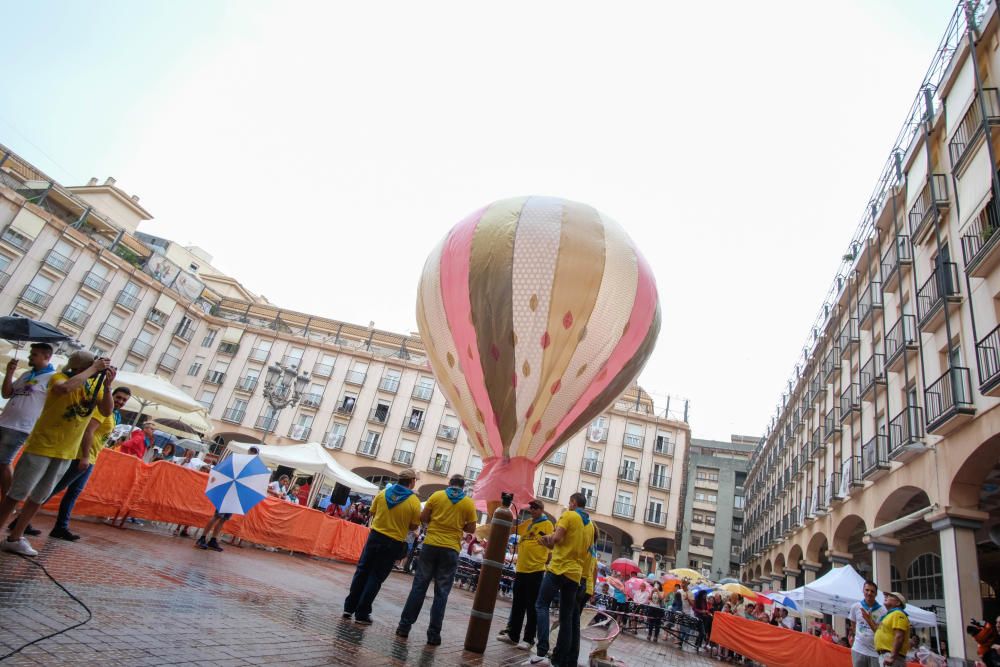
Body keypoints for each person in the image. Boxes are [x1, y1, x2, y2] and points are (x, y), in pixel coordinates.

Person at [0, 352, 112, 556]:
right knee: (16, 493)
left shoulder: (92, 387)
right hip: (42, 445)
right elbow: (65, 389)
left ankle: (15, 537)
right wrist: (94, 369)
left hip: (66, 451)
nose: (96, 368)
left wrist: (108, 385)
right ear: (80, 368)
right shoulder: (59, 377)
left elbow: (106, 411)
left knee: (39, 497)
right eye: (91, 365)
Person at [396, 474, 476, 646]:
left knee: (419, 586)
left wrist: (436, 520)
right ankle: (433, 635)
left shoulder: (437, 496)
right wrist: (458, 524)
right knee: (442, 593)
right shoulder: (468, 502)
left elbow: (423, 518)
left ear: (449, 484)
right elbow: (471, 527)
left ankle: (404, 627)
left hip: (431, 544)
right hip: (451, 549)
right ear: (463, 487)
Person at [45, 384, 129, 541]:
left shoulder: (112, 413)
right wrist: (84, 456)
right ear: (111, 395)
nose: (121, 401)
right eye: (118, 397)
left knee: (72, 493)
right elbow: (88, 430)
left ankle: (60, 527)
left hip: (91, 457)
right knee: (57, 487)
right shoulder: (103, 409)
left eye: (124, 400)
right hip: (82, 456)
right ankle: (22, 519)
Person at [343, 468, 421, 624]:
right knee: (376, 577)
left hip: (375, 536)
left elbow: (372, 512)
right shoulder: (413, 501)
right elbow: (413, 526)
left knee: (362, 571)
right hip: (393, 542)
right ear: (411, 481)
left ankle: (348, 608)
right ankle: (362, 613)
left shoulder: (383, 494)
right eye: (415, 480)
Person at [530, 491, 590, 667]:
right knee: (566, 618)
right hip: (575, 574)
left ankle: (541, 652)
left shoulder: (569, 515)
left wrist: (544, 540)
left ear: (572, 503)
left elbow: (556, 539)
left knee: (541, 605)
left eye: (569, 502)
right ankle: (560, 660)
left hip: (558, 568)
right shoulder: (590, 525)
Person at [0, 343, 56, 506]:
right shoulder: (26, 374)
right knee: (2, 462)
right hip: (5, 421)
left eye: (35, 354)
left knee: (4, 462)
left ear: (47, 356)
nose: (30, 357)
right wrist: (10, 373)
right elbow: (6, 393)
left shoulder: (52, 378)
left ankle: (8, 500)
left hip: (21, 427)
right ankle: (7, 499)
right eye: (31, 353)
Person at [498, 499, 554, 651]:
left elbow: (550, 546)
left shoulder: (547, 524)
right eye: (531, 507)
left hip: (535, 570)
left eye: (536, 507)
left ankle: (528, 639)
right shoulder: (529, 523)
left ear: (542, 509)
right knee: (518, 604)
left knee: (532, 606)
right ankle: (513, 635)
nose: (532, 510)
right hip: (521, 569)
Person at [850, 579, 887, 667]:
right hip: (858, 649)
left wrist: (870, 621)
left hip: (875, 652)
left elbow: (881, 632)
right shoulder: (855, 607)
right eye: (867, 590)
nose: (869, 593)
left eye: (872, 591)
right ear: (863, 590)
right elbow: (853, 624)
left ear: (876, 594)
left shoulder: (883, 611)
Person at [874, 591, 910, 666]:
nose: (886, 597)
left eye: (890, 596)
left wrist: (892, 657)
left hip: (891, 656)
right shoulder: (890, 615)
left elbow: (899, 636)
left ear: (898, 603)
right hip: (886, 655)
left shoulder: (898, 614)